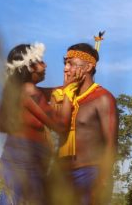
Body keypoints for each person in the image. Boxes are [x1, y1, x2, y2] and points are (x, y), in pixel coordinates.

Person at [0, 43, 82, 205]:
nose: (45, 65)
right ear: (30, 67)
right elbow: (60, 126)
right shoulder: (29, 92)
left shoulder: (24, 90)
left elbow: (54, 91)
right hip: (23, 166)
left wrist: (69, 86)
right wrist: (68, 96)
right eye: (41, 62)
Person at [51, 43, 119, 205]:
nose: (66, 69)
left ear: (88, 67)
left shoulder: (103, 98)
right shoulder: (61, 96)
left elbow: (111, 143)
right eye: (65, 64)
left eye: (71, 64)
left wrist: (103, 178)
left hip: (90, 175)